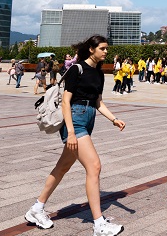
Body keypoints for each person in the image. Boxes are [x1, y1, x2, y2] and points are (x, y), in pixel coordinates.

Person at [24, 35, 126, 235]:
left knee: (62, 167)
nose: (106, 52)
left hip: (89, 118)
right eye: (103, 48)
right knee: (94, 166)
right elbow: (66, 102)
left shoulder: (99, 73)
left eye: (107, 49)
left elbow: (98, 102)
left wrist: (113, 119)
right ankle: (99, 224)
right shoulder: (76, 69)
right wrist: (70, 132)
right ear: (91, 49)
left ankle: (36, 208)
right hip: (75, 120)